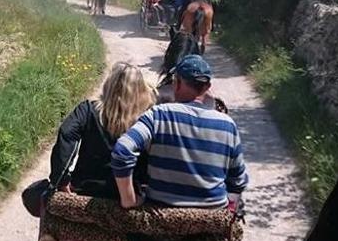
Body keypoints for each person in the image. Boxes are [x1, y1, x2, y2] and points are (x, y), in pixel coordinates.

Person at [111, 54, 247, 210]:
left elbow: (122, 150)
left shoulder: (158, 115)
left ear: (177, 83)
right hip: (211, 216)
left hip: (162, 213)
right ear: (208, 87)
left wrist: (129, 199)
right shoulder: (228, 124)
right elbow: (238, 180)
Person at [49, 62, 155, 199]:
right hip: (127, 194)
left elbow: (67, 133)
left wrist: (61, 179)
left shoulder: (88, 110)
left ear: (109, 84)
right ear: (140, 90)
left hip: (85, 188)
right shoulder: (147, 118)